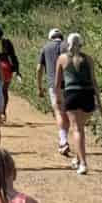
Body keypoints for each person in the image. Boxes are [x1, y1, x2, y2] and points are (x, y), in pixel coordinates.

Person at [55, 33, 99, 175]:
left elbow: (57, 83)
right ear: (81, 44)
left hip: (72, 94)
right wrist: (99, 100)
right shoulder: (88, 59)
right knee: (80, 128)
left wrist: (58, 98)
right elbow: (94, 81)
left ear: (68, 44)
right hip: (88, 95)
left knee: (77, 129)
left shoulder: (62, 58)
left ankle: (83, 163)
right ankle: (77, 158)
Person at [38, 28, 67, 156]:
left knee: (59, 112)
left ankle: (63, 141)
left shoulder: (46, 48)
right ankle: (69, 139)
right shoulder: (67, 46)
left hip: (53, 85)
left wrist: (39, 87)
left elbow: (39, 68)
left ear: (51, 37)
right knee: (68, 113)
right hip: (70, 84)